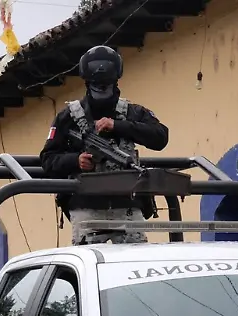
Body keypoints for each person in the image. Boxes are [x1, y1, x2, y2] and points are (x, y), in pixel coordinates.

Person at [40, 45, 169, 245]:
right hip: (86, 207)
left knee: (134, 261)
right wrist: (76, 161)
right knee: (90, 262)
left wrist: (118, 126)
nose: (102, 90)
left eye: (106, 84)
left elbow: (160, 137)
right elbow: (48, 159)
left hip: (127, 204)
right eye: (98, 85)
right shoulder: (68, 117)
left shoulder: (132, 112)